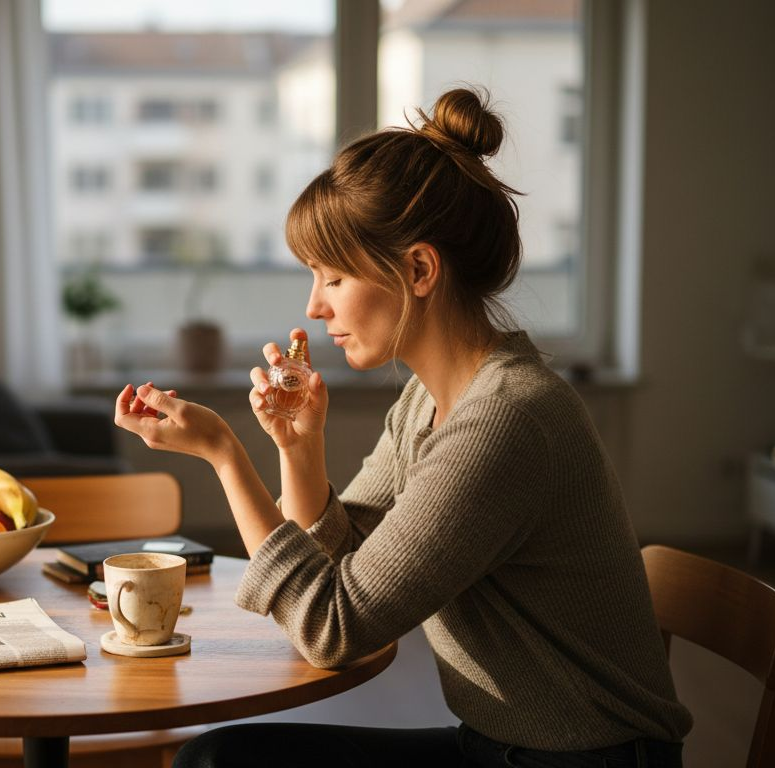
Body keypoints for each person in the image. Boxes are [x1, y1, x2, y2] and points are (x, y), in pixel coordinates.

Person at [113, 88, 691, 768]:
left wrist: (223, 454)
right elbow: (345, 558)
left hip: (582, 762)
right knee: (218, 759)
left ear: (418, 269)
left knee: (219, 762)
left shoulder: (507, 419)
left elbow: (332, 627)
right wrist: (298, 450)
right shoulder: (430, 400)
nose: (314, 306)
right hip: (498, 747)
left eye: (333, 277)